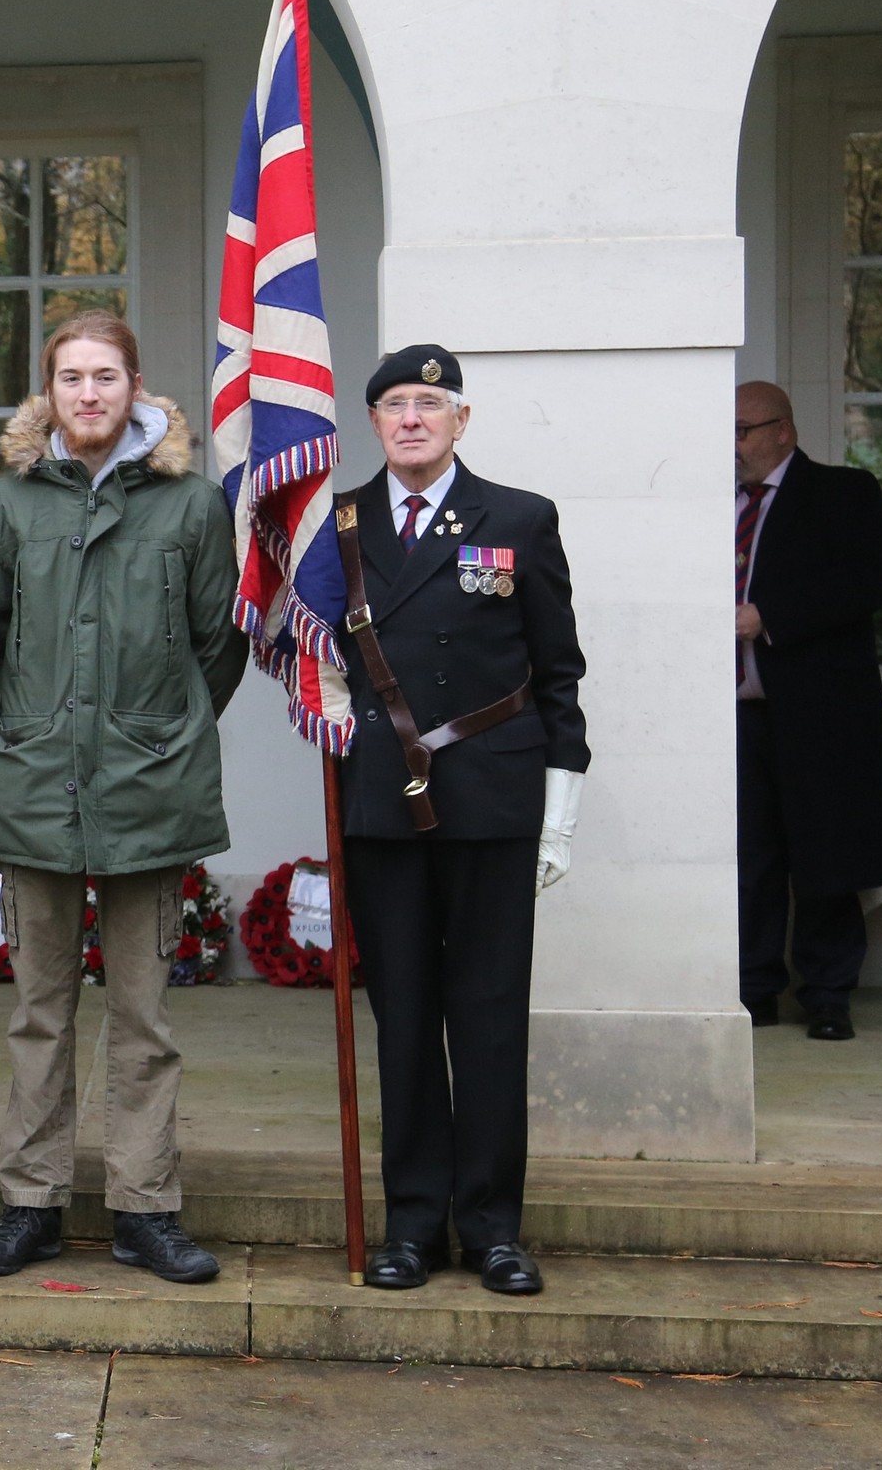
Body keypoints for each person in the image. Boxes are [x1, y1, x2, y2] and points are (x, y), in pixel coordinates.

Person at [0, 313, 240, 1285]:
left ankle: (144, 1205)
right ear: (48, 392)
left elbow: (217, 644)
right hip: (35, 782)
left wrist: (157, 730)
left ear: (135, 387)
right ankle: (29, 1202)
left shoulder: (190, 505)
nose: (87, 392)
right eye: (71, 377)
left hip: (150, 789)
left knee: (142, 1018)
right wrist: (37, 724)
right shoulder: (3, 506)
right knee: (37, 1012)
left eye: (105, 376)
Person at [331, 345, 589, 1298]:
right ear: (374, 423)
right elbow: (308, 650)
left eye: (429, 404)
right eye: (394, 404)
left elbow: (557, 674)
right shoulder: (335, 524)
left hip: (490, 796)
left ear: (459, 421)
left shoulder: (517, 518)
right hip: (382, 800)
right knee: (402, 1018)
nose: (411, 419)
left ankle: (490, 1229)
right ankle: (410, 1226)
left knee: (486, 1018)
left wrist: (559, 813)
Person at [733, 380, 882, 1041]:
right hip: (735, 713)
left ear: (783, 431)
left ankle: (828, 994)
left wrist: (767, 617)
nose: (732, 445)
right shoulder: (711, 504)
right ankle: (752, 989)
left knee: (825, 851)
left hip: (819, 712)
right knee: (749, 857)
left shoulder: (841, 492)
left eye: (743, 430)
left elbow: (864, 583)